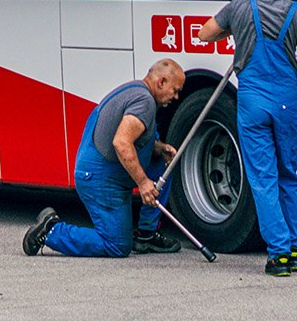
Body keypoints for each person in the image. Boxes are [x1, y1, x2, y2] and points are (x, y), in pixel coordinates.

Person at [196, 0, 297, 275]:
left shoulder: (238, 7)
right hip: (286, 103)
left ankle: (278, 256)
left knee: (262, 179)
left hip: (251, 104)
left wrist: (230, 29)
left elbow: (203, 33)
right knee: (289, 176)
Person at [24, 60, 185, 258]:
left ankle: (147, 234)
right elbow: (122, 142)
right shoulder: (144, 102)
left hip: (98, 172)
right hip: (99, 179)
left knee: (162, 163)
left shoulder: (134, 90)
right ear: (161, 82)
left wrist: (159, 148)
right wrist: (143, 183)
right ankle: (51, 231)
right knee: (117, 245)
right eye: (175, 90)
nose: (176, 97)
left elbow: (133, 137)